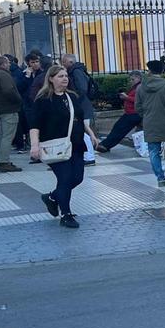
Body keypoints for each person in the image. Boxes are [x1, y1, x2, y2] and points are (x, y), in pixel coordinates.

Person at [31, 65, 100, 228]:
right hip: (55, 146)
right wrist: (34, 146)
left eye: (66, 76)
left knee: (77, 178)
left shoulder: (72, 97)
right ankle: (66, 214)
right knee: (65, 178)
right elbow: (35, 125)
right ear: (51, 79)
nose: (65, 79)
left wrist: (91, 134)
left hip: (76, 144)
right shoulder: (43, 100)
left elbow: (80, 118)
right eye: (60, 76)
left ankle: (52, 197)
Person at [0, 56, 24, 172]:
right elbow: (9, 90)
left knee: (1, 136)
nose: (9, 65)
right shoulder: (4, 75)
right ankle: (4, 162)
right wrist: (18, 100)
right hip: (8, 109)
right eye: (8, 63)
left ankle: (0, 160)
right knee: (7, 136)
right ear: (4, 64)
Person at [61, 54, 97, 165]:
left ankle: (89, 156)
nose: (63, 64)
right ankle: (87, 155)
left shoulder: (76, 72)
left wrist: (74, 99)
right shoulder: (76, 71)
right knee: (83, 131)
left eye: (64, 62)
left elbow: (82, 89)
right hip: (82, 105)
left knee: (84, 131)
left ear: (70, 62)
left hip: (82, 106)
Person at [97, 71, 143, 152]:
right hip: (130, 113)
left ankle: (105, 145)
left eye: (133, 79)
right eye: (130, 79)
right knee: (118, 127)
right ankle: (105, 144)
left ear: (138, 78)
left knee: (120, 129)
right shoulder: (135, 87)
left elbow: (139, 100)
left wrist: (127, 97)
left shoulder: (140, 87)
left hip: (134, 113)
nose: (131, 81)